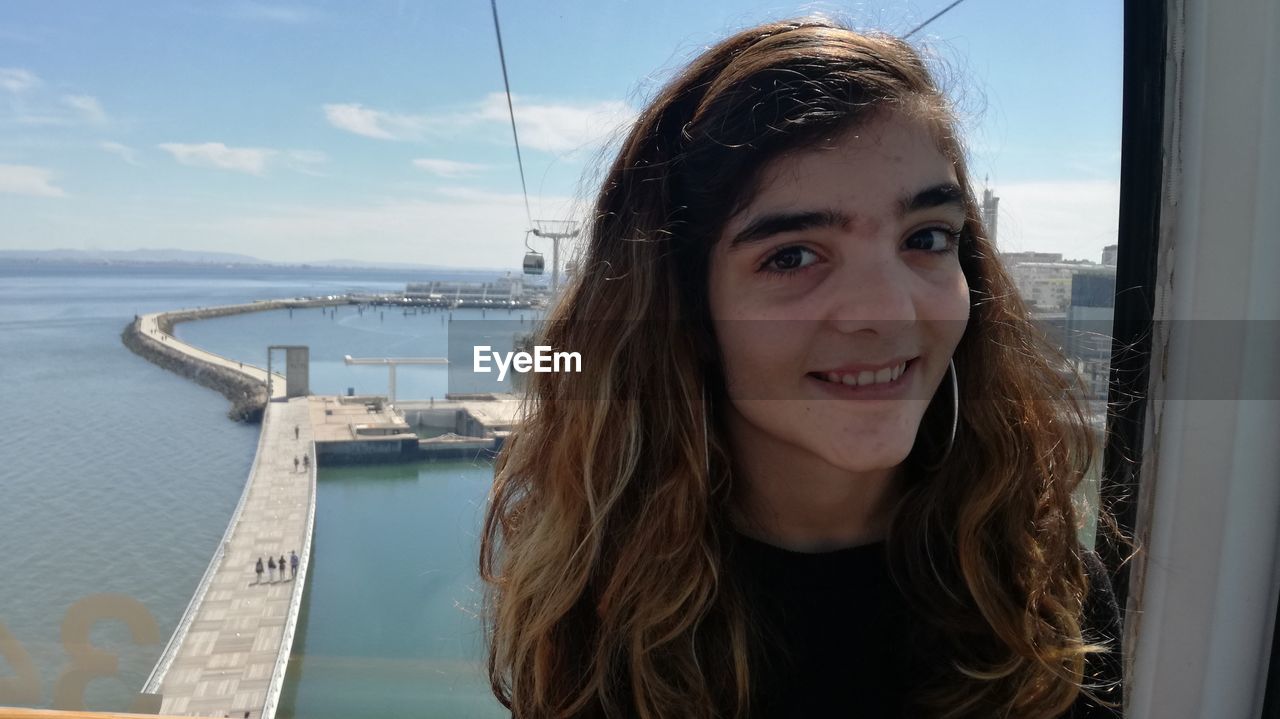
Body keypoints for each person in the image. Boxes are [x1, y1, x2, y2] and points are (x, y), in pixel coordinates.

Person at [479, 17, 1130, 719]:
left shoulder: (1041, 596)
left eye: (927, 238)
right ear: (685, 309)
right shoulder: (598, 616)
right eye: (791, 255)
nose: (887, 310)